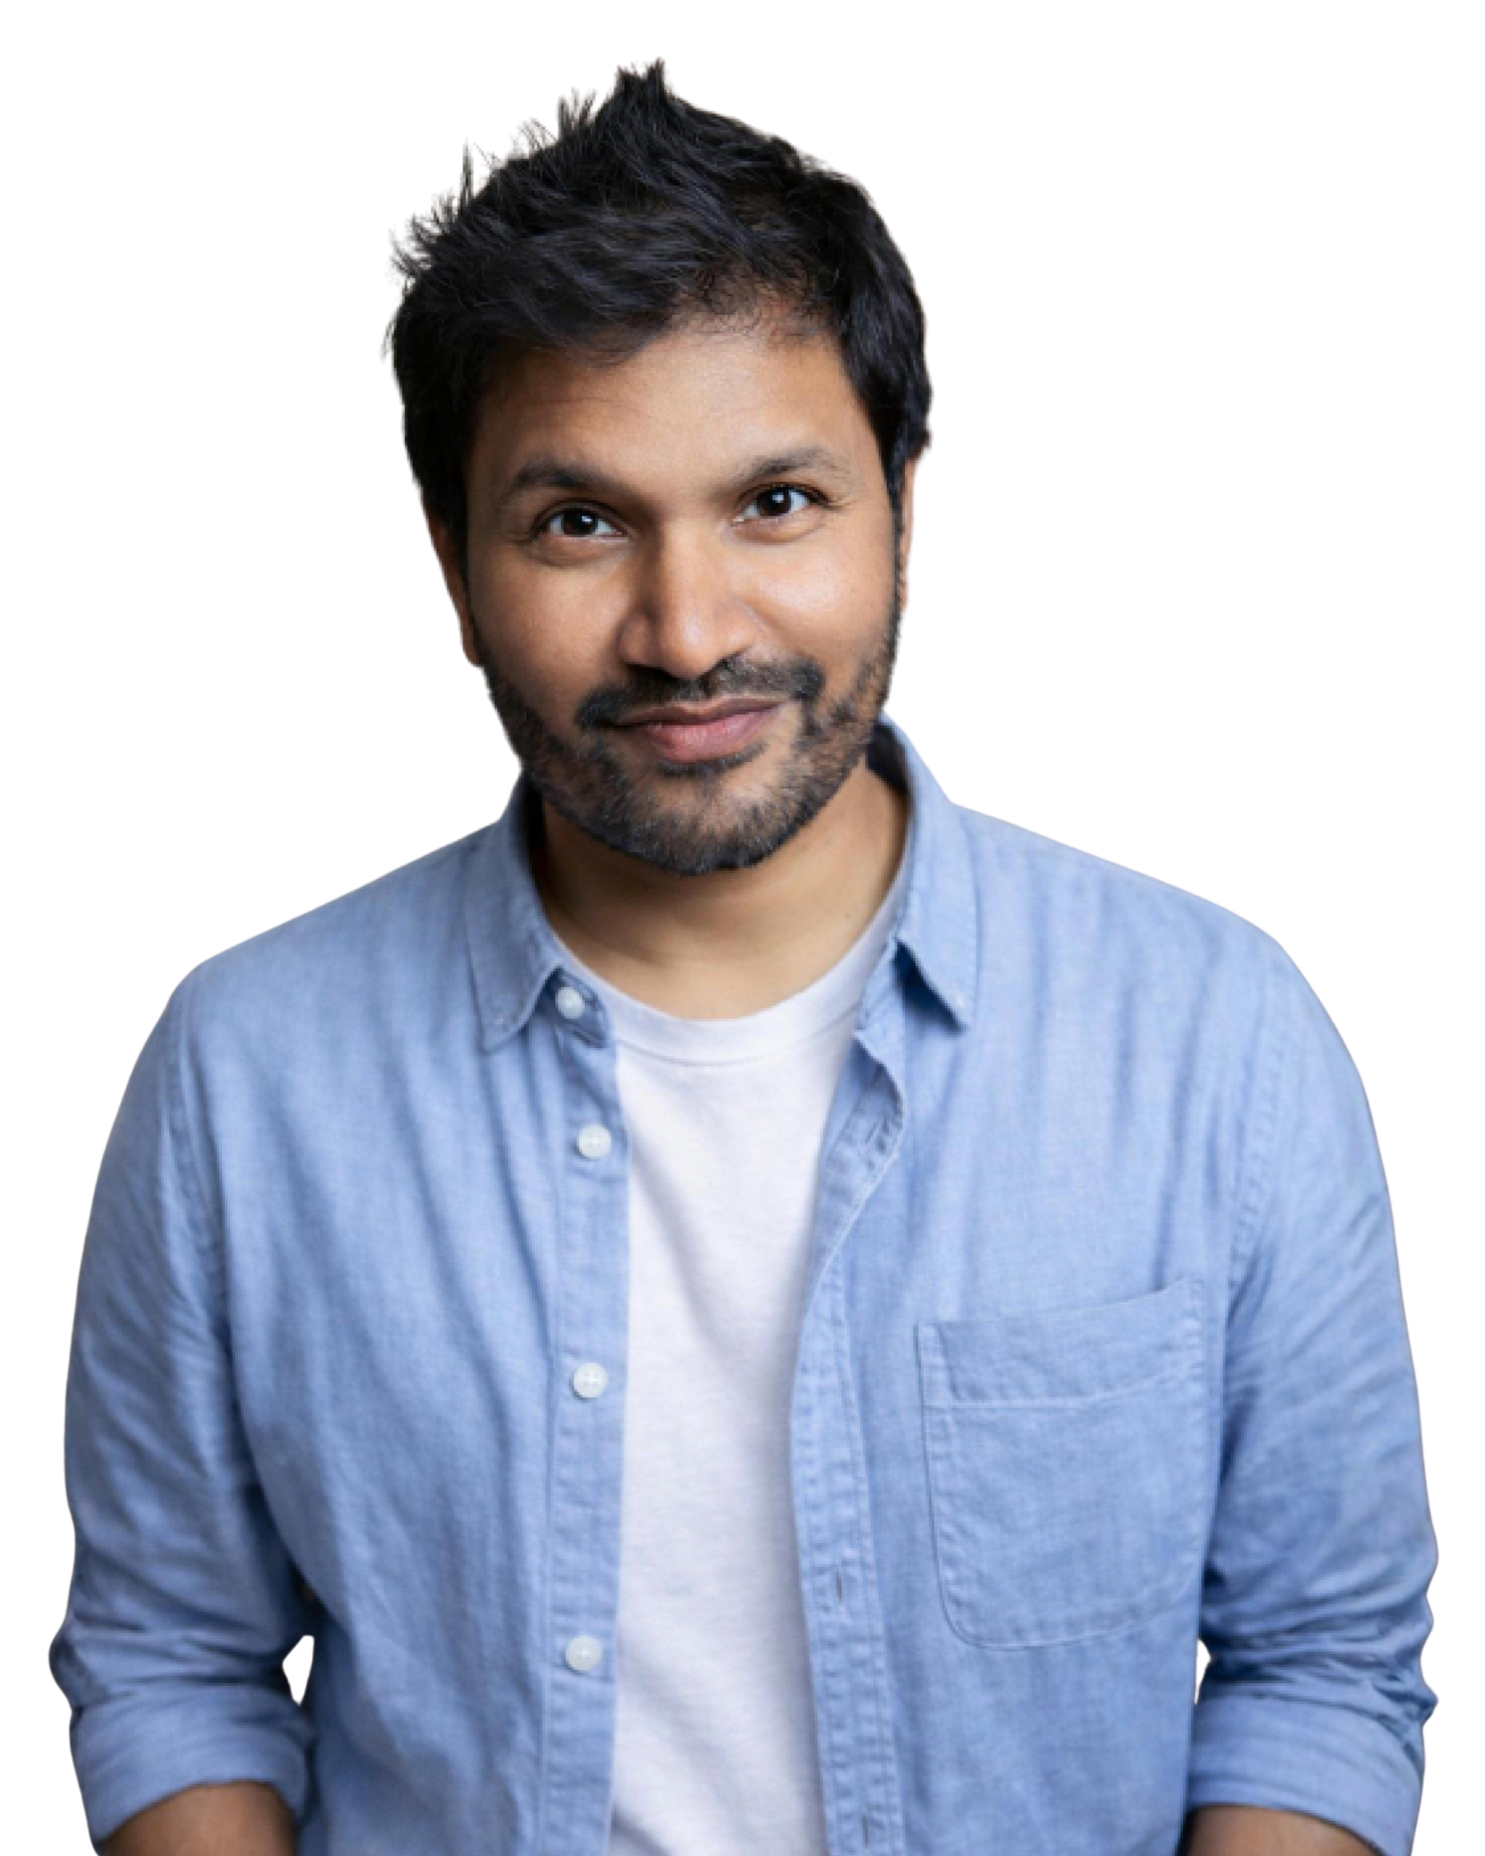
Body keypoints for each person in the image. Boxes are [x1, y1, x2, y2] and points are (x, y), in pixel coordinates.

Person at [51, 58, 1436, 1855]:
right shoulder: (242, 1072)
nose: (688, 632)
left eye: (776, 502)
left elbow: (1317, 1673)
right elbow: (176, 1662)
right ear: (450, 572)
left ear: (907, 514)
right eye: (581, 521)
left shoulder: (1219, 1039)